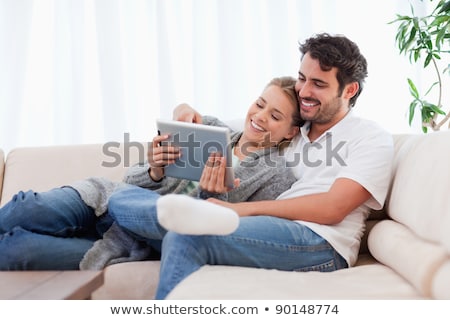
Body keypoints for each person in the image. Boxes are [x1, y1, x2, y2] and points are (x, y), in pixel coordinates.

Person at [108, 32, 394, 299]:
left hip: (321, 242)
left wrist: (240, 210)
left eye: (318, 84)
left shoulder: (370, 137)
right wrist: (182, 109)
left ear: (350, 90)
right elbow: (226, 125)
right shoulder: (293, 127)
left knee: (188, 234)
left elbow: (333, 208)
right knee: (126, 200)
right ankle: (136, 209)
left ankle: (158, 215)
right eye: (302, 78)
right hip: (268, 228)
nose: (304, 91)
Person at [0, 76, 302, 270]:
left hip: (134, 240)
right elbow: (131, 183)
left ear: (291, 130)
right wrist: (155, 168)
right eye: (260, 104)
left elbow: (234, 235)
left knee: (16, 250)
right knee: (28, 205)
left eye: (275, 116)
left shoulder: (277, 176)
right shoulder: (210, 128)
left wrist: (211, 195)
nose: (260, 117)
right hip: (105, 201)